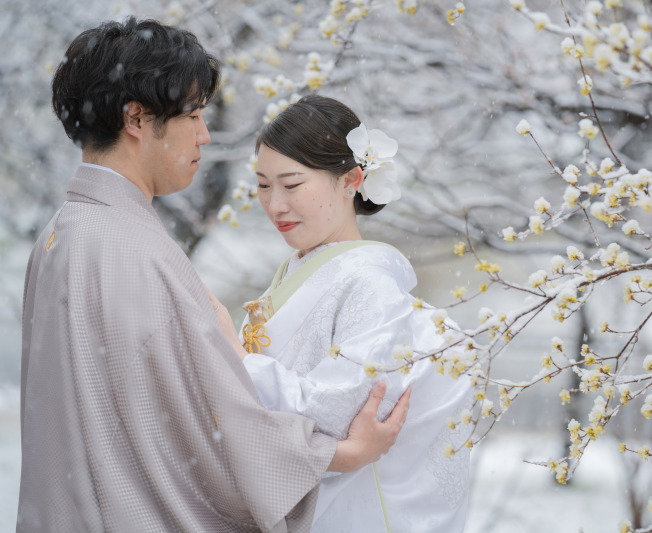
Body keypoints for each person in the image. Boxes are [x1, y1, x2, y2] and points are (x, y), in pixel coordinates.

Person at [18, 18, 409, 533]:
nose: (204, 134)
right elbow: (201, 418)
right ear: (136, 118)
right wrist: (340, 454)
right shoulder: (129, 248)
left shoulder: (66, 231)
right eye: (194, 115)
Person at [229, 95, 473, 532]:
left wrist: (234, 362)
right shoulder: (299, 270)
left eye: (292, 184)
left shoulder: (371, 283)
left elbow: (335, 414)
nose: (275, 204)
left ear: (350, 180)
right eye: (264, 185)